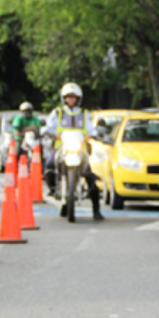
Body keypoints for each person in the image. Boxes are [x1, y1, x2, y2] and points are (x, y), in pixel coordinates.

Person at [44, 82, 104, 220]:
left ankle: (96, 210)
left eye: (73, 97)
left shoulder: (84, 114)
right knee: (49, 164)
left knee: (90, 176)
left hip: (79, 149)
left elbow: (91, 128)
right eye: (68, 97)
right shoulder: (57, 112)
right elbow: (49, 126)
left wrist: (94, 133)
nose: (70, 99)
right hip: (61, 147)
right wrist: (47, 131)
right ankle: (53, 189)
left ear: (78, 98)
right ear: (63, 98)